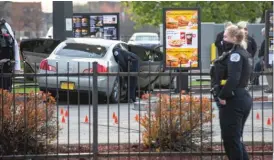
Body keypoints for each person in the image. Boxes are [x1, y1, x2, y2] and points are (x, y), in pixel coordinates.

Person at [212, 24, 252, 160]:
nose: (222, 40)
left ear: (234, 38)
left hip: (234, 99)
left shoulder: (236, 55)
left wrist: (222, 96)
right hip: (240, 98)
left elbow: (233, 78)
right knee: (234, 139)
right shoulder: (239, 52)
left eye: (225, 36)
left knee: (231, 140)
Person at [0, 19, 21, 91]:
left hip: (6, 67)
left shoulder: (5, 25)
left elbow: (14, 45)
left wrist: (17, 66)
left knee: (6, 90)